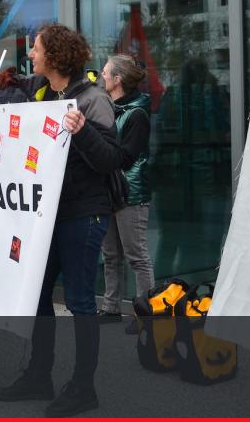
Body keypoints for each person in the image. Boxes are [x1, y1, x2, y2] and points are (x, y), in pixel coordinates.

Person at [0, 24, 124, 417]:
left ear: (54, 55)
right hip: (48, 214)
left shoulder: (92, 99)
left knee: (81, 301)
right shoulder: (44, 95)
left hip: (83, 213)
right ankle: (39, 374)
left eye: (35, 49)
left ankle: (84, 388)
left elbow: (110, 160)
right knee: (37, 294)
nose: (30, 55)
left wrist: (82, 132)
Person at [97, 54, 154, 336]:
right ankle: (110, 307)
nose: (101, 77)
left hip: (131, 193)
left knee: (136, 255)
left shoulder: (137, 114)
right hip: (111, 190)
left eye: (105, 73)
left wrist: (100, 154)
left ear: (117, 80)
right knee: (110, 254)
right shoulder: (111, 109)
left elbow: (128, 156)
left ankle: (148, 314)